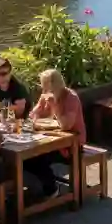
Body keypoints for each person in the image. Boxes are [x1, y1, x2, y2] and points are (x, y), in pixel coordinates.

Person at [27, 69, 87, 198]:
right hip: (52, 139)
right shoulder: (46, 95)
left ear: (55, 84)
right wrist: (36, 112)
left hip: (72, 145)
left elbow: (66, 125)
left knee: (39, 158)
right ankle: (41, 186)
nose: (44, 89)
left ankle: (52, 190)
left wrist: (54, 106)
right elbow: (33, 114)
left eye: (46, 85)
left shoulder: (71, 98)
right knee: (28, 157)